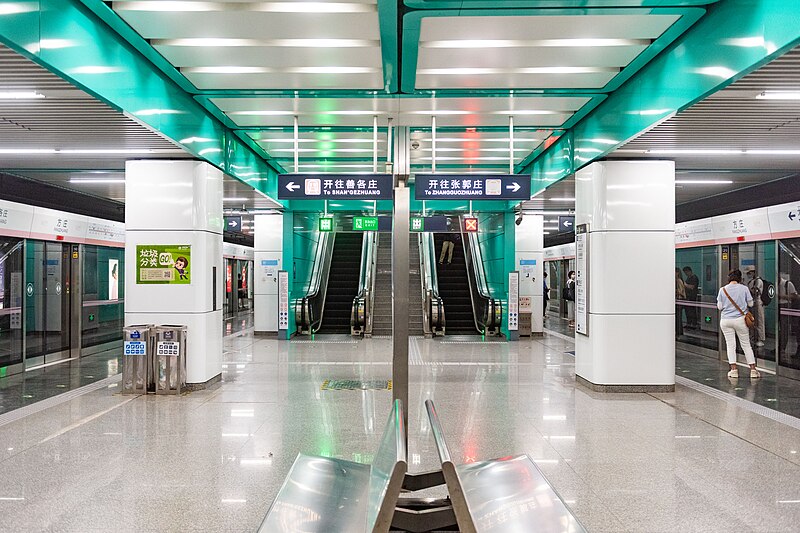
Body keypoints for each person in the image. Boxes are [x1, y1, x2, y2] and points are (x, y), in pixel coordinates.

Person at [717, 269, 760, 379]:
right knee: (746, 344)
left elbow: (720, 307)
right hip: (740, 320)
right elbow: (750, 303)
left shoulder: (722, 290)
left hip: (726, 320)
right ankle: (753, 370)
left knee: (730, 345)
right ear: (740, 278)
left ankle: (733, 370)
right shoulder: (744, 288)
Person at [778, 272, 799, 356]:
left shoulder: (787, 283)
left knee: (784, 327)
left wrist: (783, 296)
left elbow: (795, 296)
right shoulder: (776, 284)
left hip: (785, 305)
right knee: (779, 328)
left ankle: (783, 347)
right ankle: (779, 346)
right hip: (778, 305)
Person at [745, 266, 766, 347]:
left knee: (759, 321)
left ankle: (760, 338)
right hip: (752, 303)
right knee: (752, 320)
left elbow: (755, 292)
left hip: (758, 303)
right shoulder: (751, 281)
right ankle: (754, 336)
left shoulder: (758, 281)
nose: (748, 275)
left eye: (749, 273)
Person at [675, 268, 686, 338]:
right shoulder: (677, 281)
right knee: (677, 317)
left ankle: (679, 332)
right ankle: (678, 331)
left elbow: (681, 292)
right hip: (678, 301)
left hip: (679, 301)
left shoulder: (679, 281)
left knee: (678, 318)